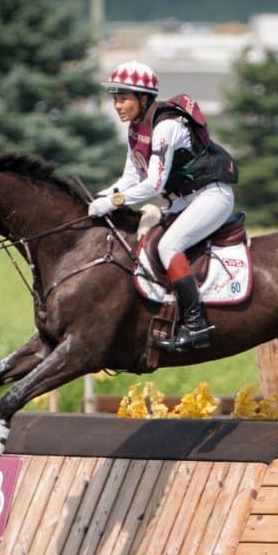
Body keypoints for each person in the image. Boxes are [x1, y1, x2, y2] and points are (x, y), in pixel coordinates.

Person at [88, 60, 238, 352]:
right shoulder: (135, 128)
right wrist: (98, 197)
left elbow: (154, 185)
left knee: (169, 246)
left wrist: (111, 203)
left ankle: (196, 325)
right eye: (115, 99)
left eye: (123, 99)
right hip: (187, 199)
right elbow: (130, 179)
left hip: (212, 196)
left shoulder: (165, 126)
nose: (117, 106)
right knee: (146, 243)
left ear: (143, 98)